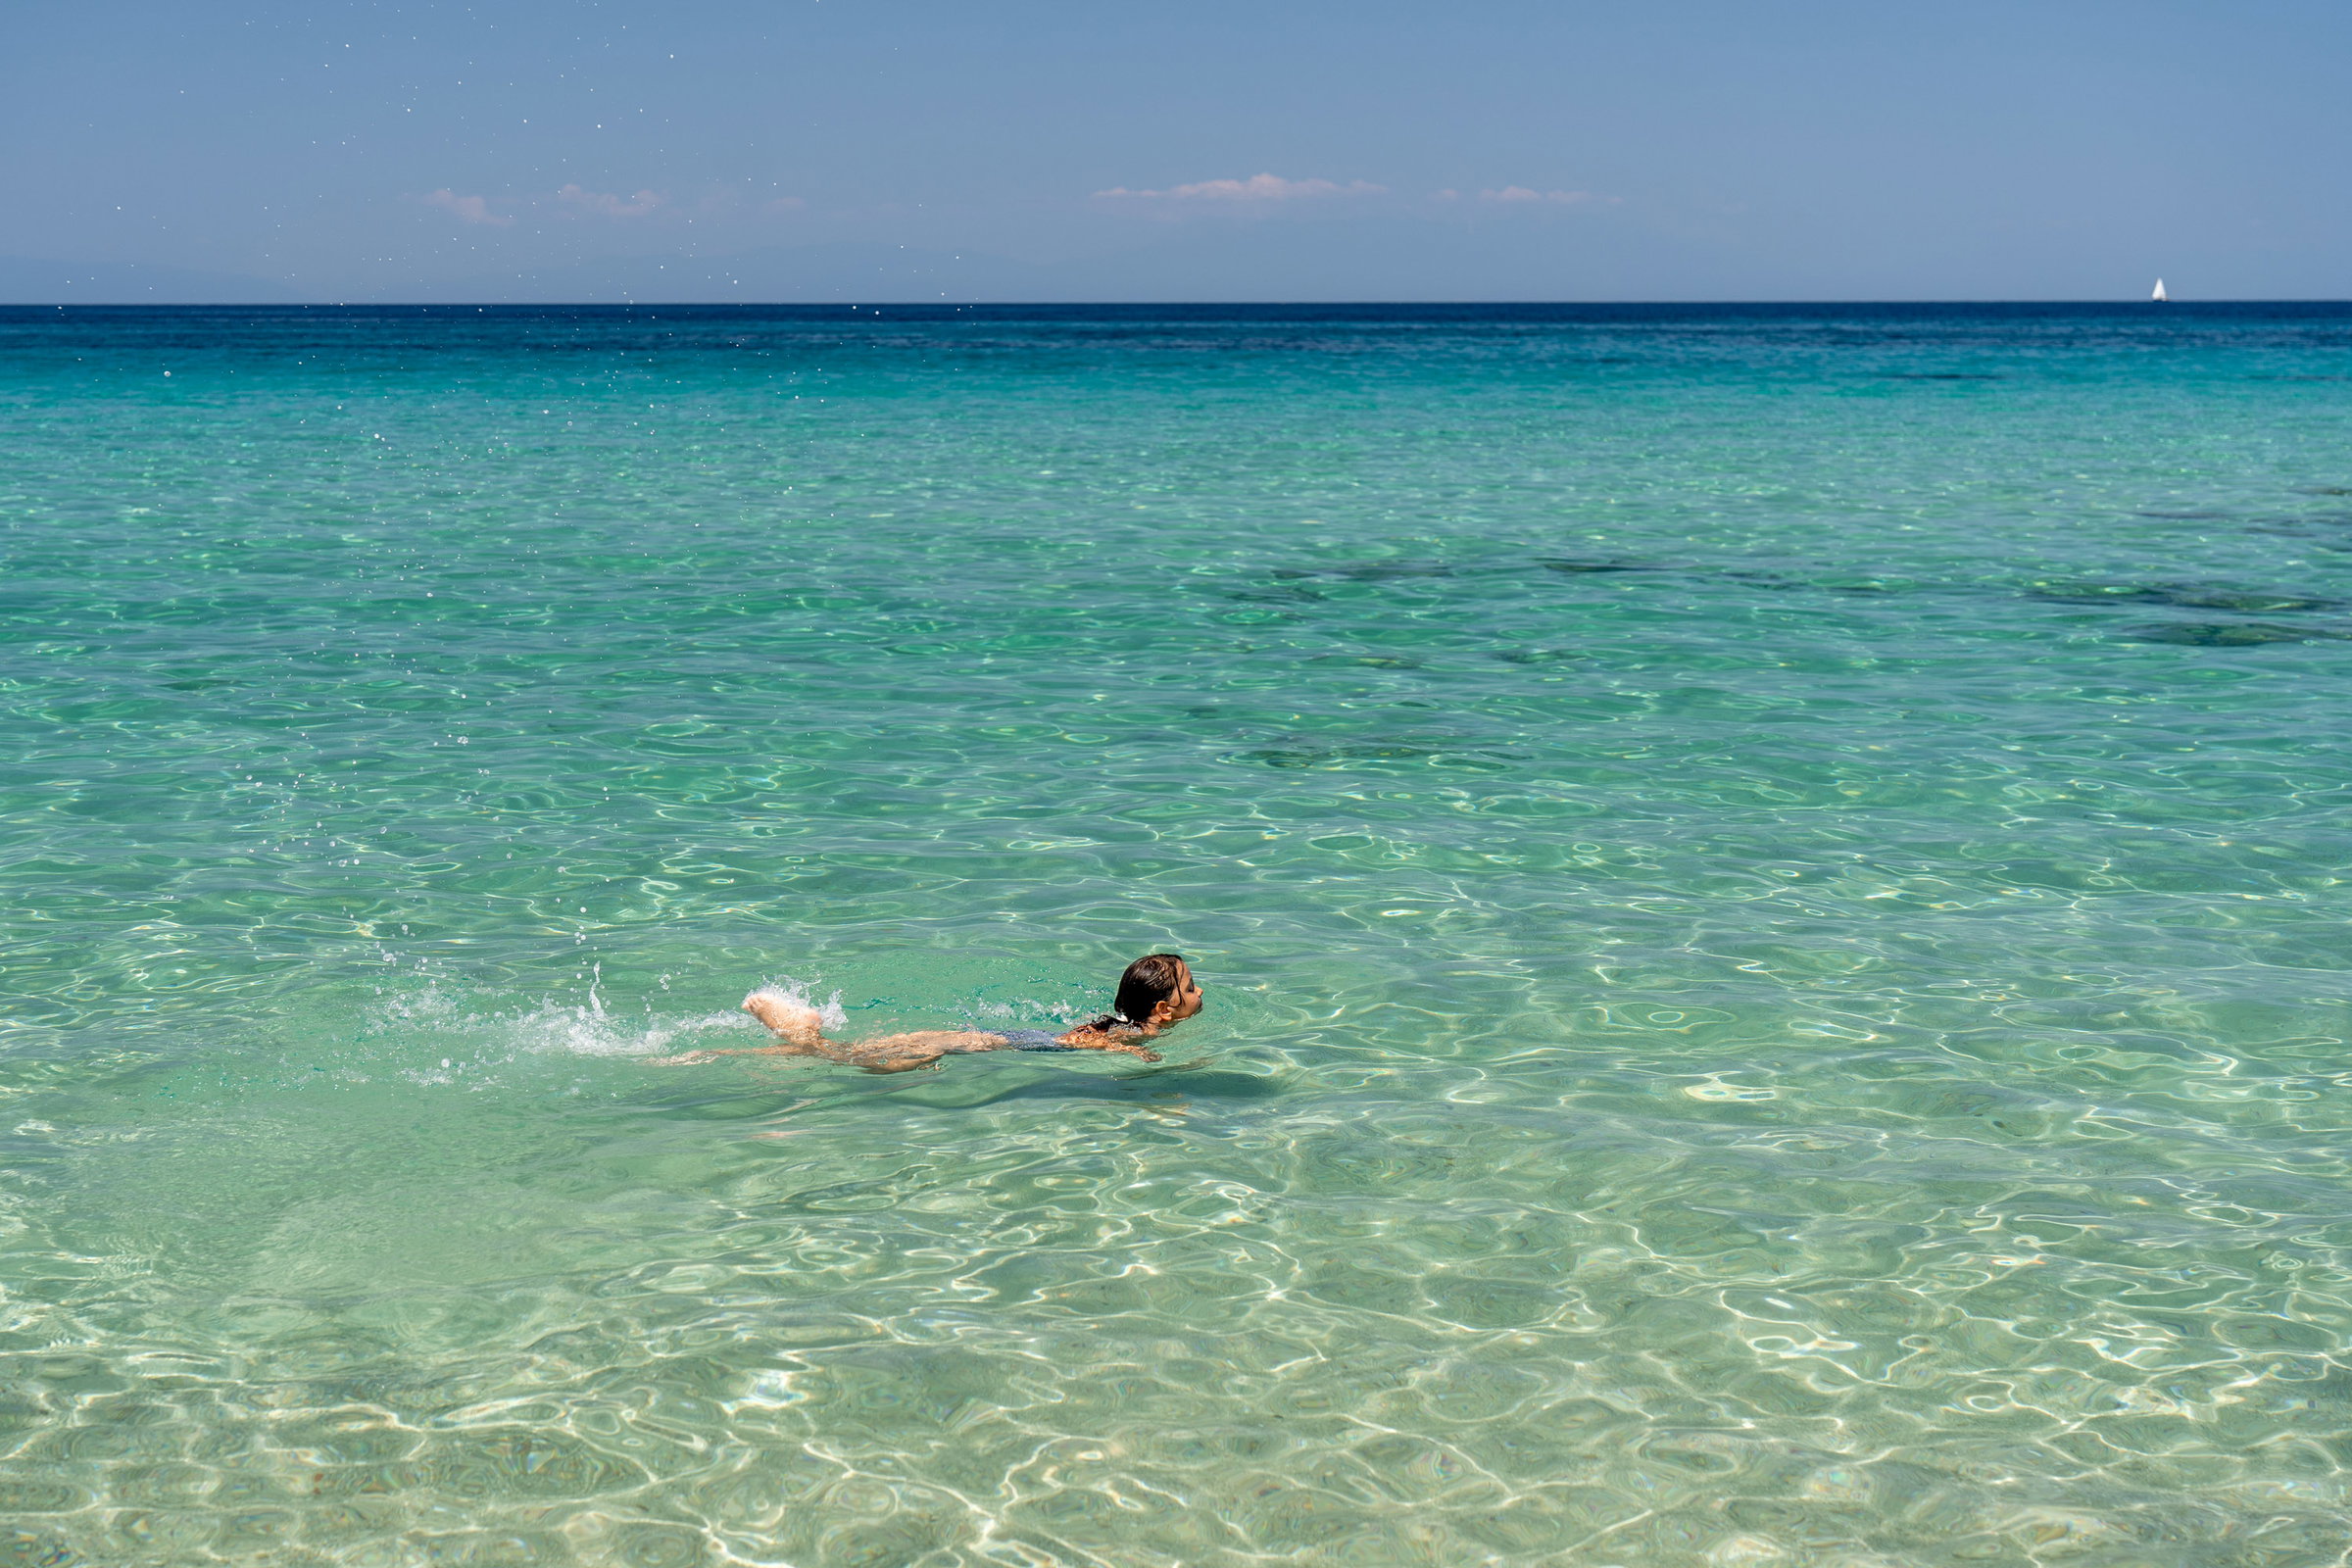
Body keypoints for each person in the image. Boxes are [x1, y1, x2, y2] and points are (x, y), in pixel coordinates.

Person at [655, 954, 1203, 1073]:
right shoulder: (1129, 1037)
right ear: (1163, 1008)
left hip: (997, 1036)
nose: (1199, 993)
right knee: (854, 1061)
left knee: (855, 1059)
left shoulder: (1120, 1024)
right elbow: (1082, 1046)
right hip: (995, 1043)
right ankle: (789, 1032)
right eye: (1190, 986)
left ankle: (772, 1037)